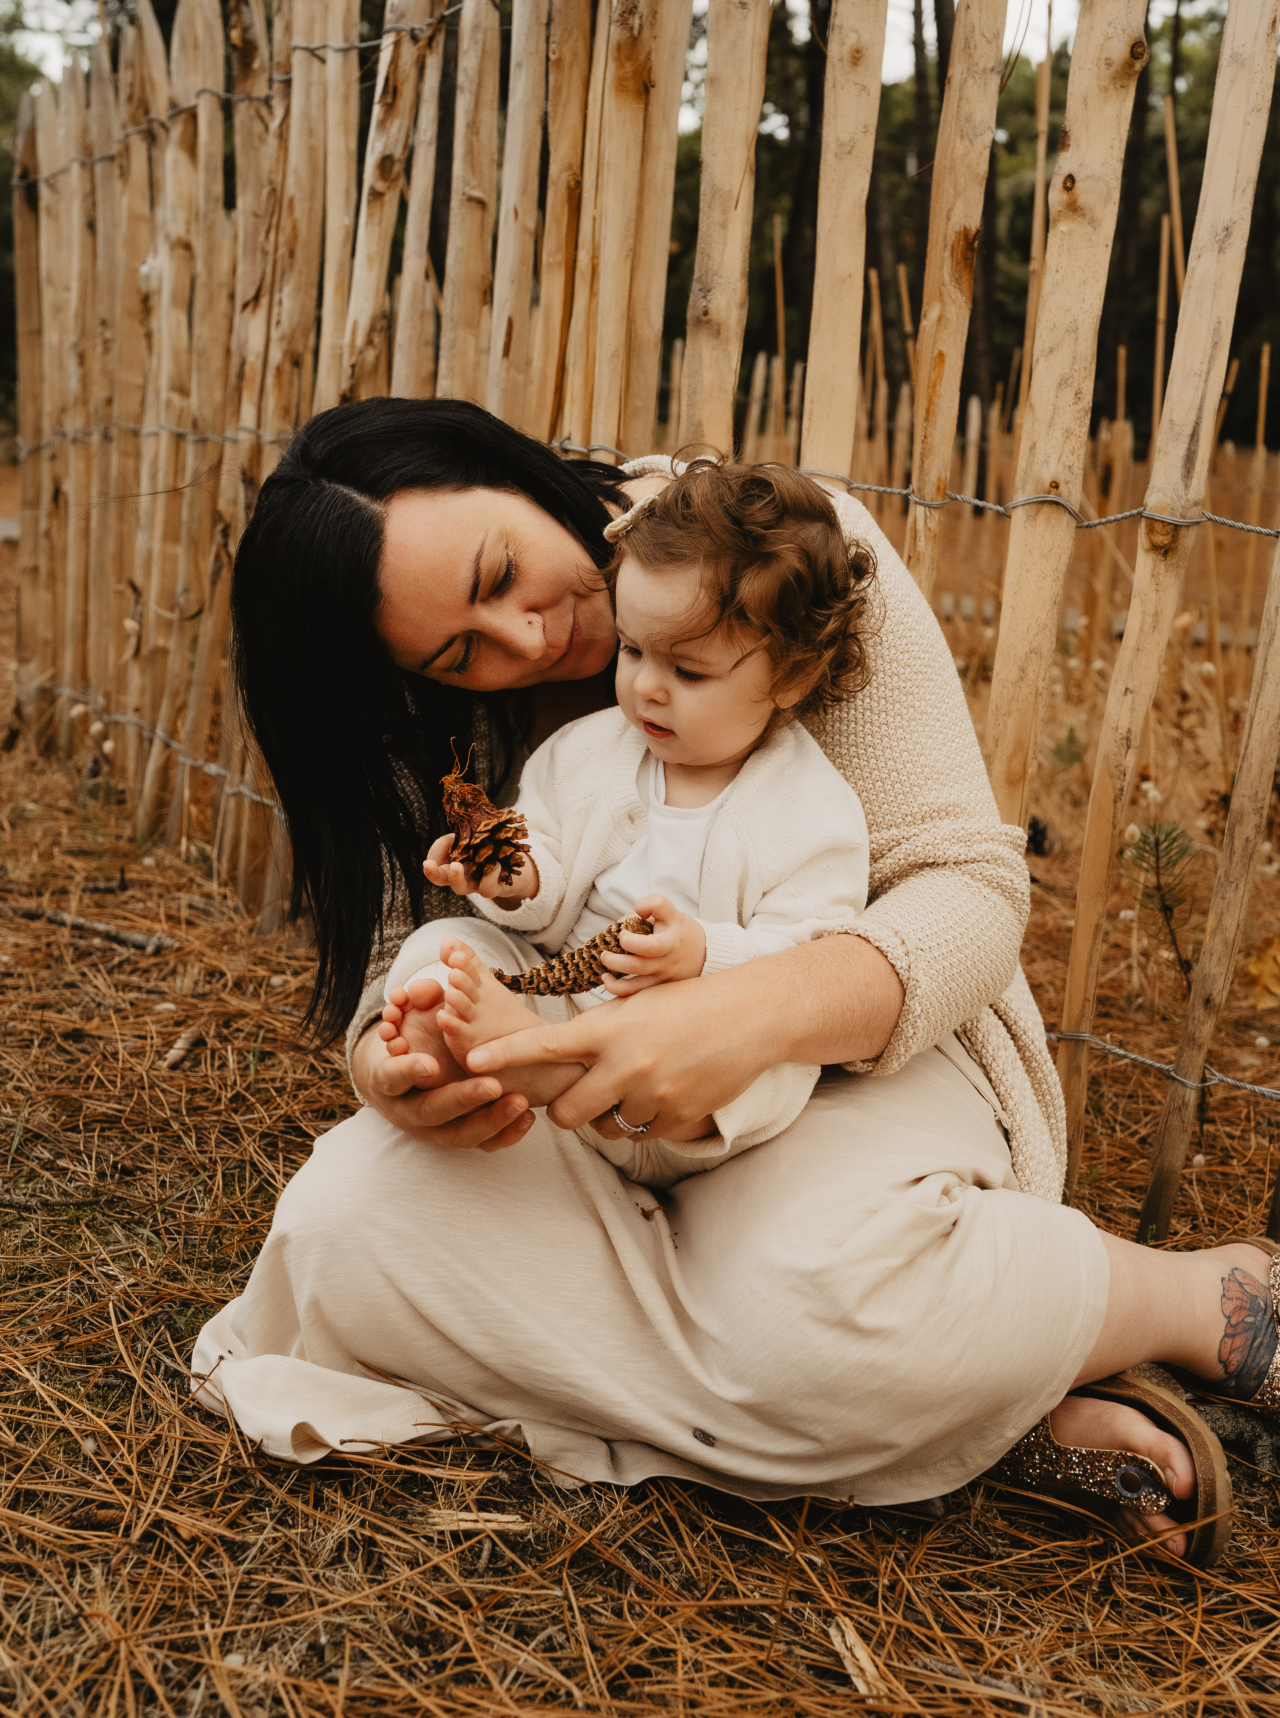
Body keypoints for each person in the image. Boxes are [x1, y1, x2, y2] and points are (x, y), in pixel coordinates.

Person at [198, 396, 1280, 1565]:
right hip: (571, 1082)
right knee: (337, 1231)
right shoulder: (435, 727)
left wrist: (733, 1010)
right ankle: (971, 1405)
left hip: (841, 1067)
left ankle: (1173, 1299)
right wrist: (395, 1063)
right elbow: (404, 953)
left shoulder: (775, 560)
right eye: (456, 653)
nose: (523, 643)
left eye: (503, 572)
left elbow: (969, 888)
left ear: (504, 468)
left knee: (807, 1301)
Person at [381, 459, 873, 1190]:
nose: (645, 686)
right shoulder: (585, 755)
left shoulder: (814, 812)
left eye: (690, 672)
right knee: (445, 946)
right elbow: (544, 888)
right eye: (633, 649)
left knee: (781, 1068)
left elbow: (811, 955)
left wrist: (707, 954)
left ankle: (538, 1066)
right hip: (564, 1003)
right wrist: (512, 875)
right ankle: (485, 1047)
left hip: (697, 1081)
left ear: (791, 677)